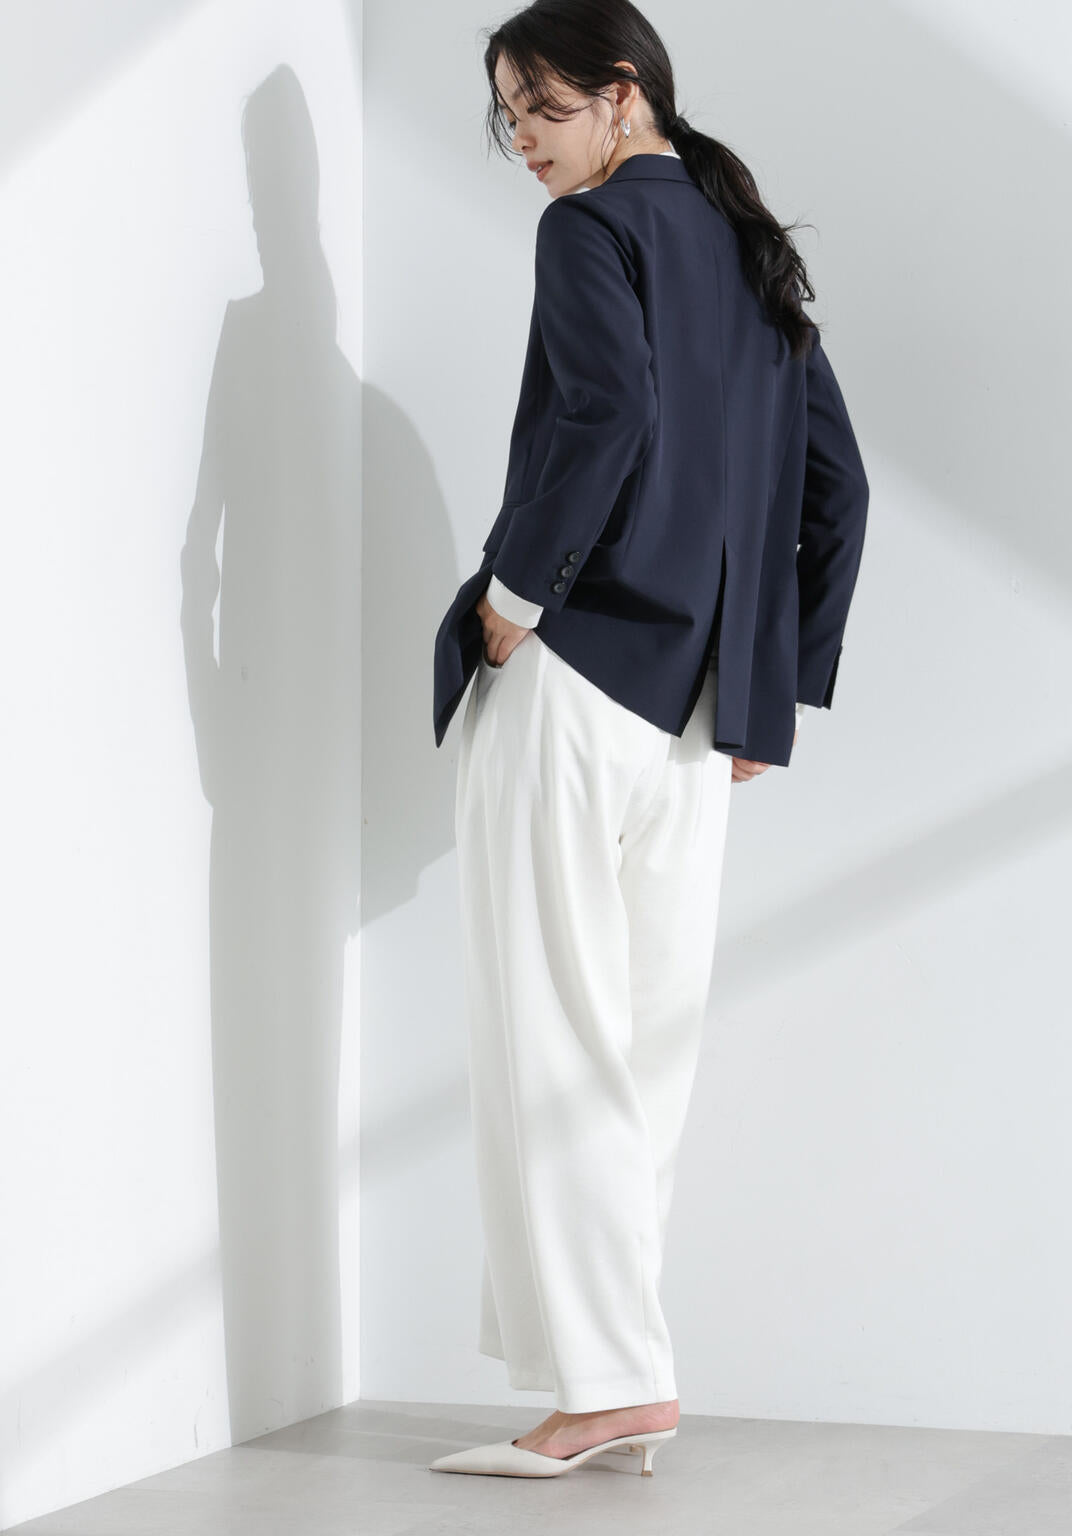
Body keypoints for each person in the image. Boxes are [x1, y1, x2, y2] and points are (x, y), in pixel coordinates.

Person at [428, 0, 869, 1483]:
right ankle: (616, 1375)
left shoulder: (592, 230)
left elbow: (605, 420)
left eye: (540, 108)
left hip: (575, 680)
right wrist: (768, 692)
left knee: (555, 1033)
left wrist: (512, 601)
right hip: (698, 718)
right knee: (641, 1049)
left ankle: (607, 1384)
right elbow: (841, 490)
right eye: (506, 116)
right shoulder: (750, 248)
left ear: (623, 94)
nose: (522, 142)